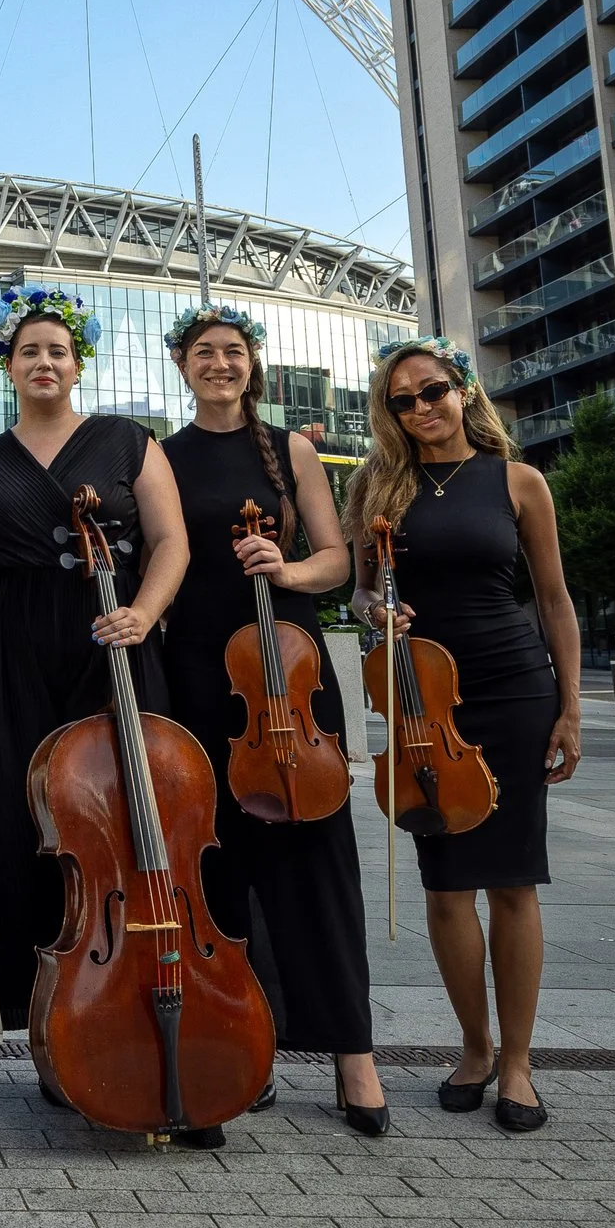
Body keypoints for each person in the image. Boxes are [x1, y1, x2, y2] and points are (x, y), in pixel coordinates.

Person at [0, 287, 192, 1104]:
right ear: (6, 366)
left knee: (122, 824)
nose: (44, 363)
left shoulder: (127, 442)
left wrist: (143, 614)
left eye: (58, 351)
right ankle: (51, 1020)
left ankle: (138, 1010)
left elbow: (171, 542)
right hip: (2, 652)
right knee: (22, 831)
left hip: (107, 641)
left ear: (79, 363)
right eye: (28, 352)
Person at [158, 304, 387, 1137]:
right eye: (204, 353)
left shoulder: (290, 450)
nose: (220, 365)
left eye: (234, 352)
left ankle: (351, 1053)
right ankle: (232, 1052)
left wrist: (286, 566)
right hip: (199, 672)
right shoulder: (162, 456)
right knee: (215, 869)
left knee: (317, 861)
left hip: (286, 674)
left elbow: (337, 559)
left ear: (252, 364)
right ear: (182, 365)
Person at [345, 335, 579, 1134]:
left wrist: (571, 707)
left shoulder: (519, 481)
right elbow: (359, 595)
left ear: (464, 391)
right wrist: (377, 610)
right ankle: (474, 1049)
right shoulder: (378, 486)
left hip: (514, 689)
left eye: (433, 392)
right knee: (445, 884)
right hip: (422, 702)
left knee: (513, 881)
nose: (421, 410)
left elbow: (553, 601)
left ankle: (518, 1064)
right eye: (403, 401)